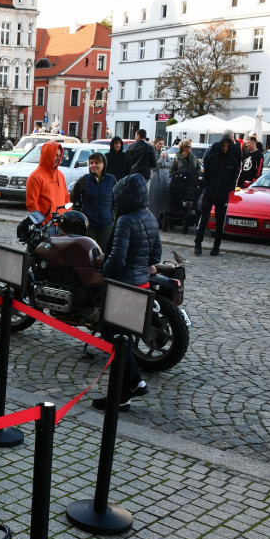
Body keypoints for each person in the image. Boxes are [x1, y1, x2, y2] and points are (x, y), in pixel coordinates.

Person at [91, 173, 161, 412]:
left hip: (122, 288)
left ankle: (128, 388)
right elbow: (156, 257)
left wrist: (104, 271)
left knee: (114, 337)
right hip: (141, 286)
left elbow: (117, 260)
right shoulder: (151, 218)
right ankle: (130, 389)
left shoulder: (125, 220)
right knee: (124, 340)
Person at [194, 130, 241, 256]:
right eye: (224, 145)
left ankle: (216, 246)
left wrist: (228, 190)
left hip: (222, 194)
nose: (225, 148)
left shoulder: (232, 160)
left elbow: (234, 177)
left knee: (220, 221)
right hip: (210, 192)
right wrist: (207, 187)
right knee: (204, 219)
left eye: (227, 146)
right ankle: (198, 243)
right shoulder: (213, 158)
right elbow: (206, 174)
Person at [69, 151, 115, 252]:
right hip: (88, 224)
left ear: (104, 164)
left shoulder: (111, 179)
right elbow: (72, 198)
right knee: (85, 252)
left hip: (106, 224)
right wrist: (76, 214)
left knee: (105, 253)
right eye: (91, 163)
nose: (93, 165)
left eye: (97, 163)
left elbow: (116, 201)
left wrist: (113, 216)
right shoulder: (84, 180)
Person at [25, 141, 68, 218]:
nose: (58, 158)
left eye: (59, 155)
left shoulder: (60, 175)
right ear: (48, 156)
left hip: (61, 225)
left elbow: (66, 198)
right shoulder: (35, 177)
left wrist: (67, 217)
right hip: (46, 226)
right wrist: (42, 223)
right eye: (55, 155)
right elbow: (32, 204)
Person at [148, 137, 170, 220]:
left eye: (163, 144)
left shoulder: (165, 152)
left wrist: (163, 164)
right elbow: (153, 166)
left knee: (162, 198)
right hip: (155, 178)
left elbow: (170, 164)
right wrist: (161, 159)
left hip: (164, 178)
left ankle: (161, 218)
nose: (161, 145)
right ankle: (153, 217)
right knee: (153, 199)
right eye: (160, 143)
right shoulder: (152, 153)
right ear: (155, 144)